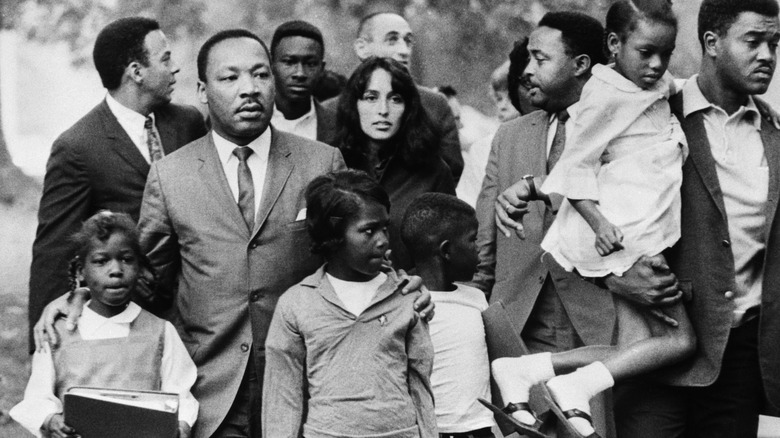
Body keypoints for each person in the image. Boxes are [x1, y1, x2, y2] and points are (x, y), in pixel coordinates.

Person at [34, 29, 433, 438]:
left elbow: (358, 254)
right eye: (230, 78)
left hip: (311, 385)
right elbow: (150, 280)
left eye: (260, 75)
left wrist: (403, 287)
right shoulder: (171, 175)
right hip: (209, 390)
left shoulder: (321, 162)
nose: (249, 89)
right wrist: (81, 296)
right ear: (204, 91)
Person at [496, 1, 780, 436]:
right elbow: (589, 175)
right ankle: (543, 375)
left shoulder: (773, 133)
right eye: (754, 41)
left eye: (775, 44)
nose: (767, 55)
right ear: (712, 43)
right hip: (658, 351)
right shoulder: (654, 106)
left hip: (736, 358)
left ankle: (535, 371)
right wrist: (614, 275)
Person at [488, 2, 696, 437]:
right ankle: (565, 381)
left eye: (541, 58)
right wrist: (600, 229)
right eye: (647, 52)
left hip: (630, 252)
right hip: (619, 246)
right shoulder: (588, 103)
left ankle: (532, 372)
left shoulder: (645, 87)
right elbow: (573, 173)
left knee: (639, 348)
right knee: (677, 341)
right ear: (616, 46)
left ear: (582, 63)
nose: (657, 64)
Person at [472, 11, 619, 438]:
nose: (527, 70)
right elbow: (487, 234)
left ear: (581, 65)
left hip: (594, 327)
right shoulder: (509, 135)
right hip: (519, 323)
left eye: (540, 58)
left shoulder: (619, 130)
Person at [27, 16, 207, 351]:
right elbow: (54, 249)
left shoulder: (189, 124)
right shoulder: (78, 146)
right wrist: (47, 346)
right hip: (128, 315)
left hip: (199, 305)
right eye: (165, 59)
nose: (175, 68)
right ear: (136, 72)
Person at [263, 169, 436, 438]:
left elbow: (421, 384)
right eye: (368, 231)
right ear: (333, 236)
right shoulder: (297, 303)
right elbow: (282, 399)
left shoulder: (407, 296)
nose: (382, 240)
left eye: (385, 228)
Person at [11, 211, 198, 438]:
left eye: (127, 259)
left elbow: (180, 392)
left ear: (139, 267)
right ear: (81, 271)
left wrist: (182, 424)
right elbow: (38, 396)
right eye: (101, 261)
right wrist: (50, 420)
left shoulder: (160, 332)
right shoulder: (58, 334)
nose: (116, 270)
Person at [335, 56, 455, 271]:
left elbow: (447, 250)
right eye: (371, 98)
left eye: (395, 98)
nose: (383, 110)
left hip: (413, 295)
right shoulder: (333, 164)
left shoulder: (434, 171)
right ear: (354, 104)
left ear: (409, 108)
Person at [322, 11, 463, 183]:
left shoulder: (435, 105)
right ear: (362, 48)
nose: (404, 51)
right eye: (392, 40)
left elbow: (450, 174)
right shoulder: (330, 110)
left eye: (408, 41)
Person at [400, 193, 495, 437]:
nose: (480, 250)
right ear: (447, 250)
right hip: (430, 432)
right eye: (473, 240)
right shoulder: (407, 304)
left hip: (479, 431)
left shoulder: (476, 299)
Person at [456, 61, 523, 208]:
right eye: (499, 98)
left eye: (511, 97)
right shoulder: (483, 148)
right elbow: (467, 201)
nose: (503, 106)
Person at [269, 20, 338, 144]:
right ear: (271, 65)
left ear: (322, 69)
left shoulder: (338, 126)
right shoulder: (250, 119)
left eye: (310, 64)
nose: (300, 73)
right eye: (289, 62)